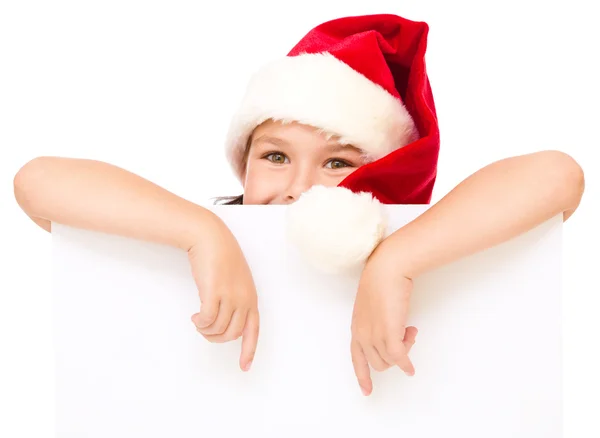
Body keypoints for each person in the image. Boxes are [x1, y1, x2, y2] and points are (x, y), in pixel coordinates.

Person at [12, 14, 585, 397]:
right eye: (275, 157)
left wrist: (396, 259)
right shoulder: (220, 238)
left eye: (337, 163)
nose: (299, 187)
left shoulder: (421, 239)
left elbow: (558, 176)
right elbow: (37, 182)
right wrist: (201, 231)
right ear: (244, 164)